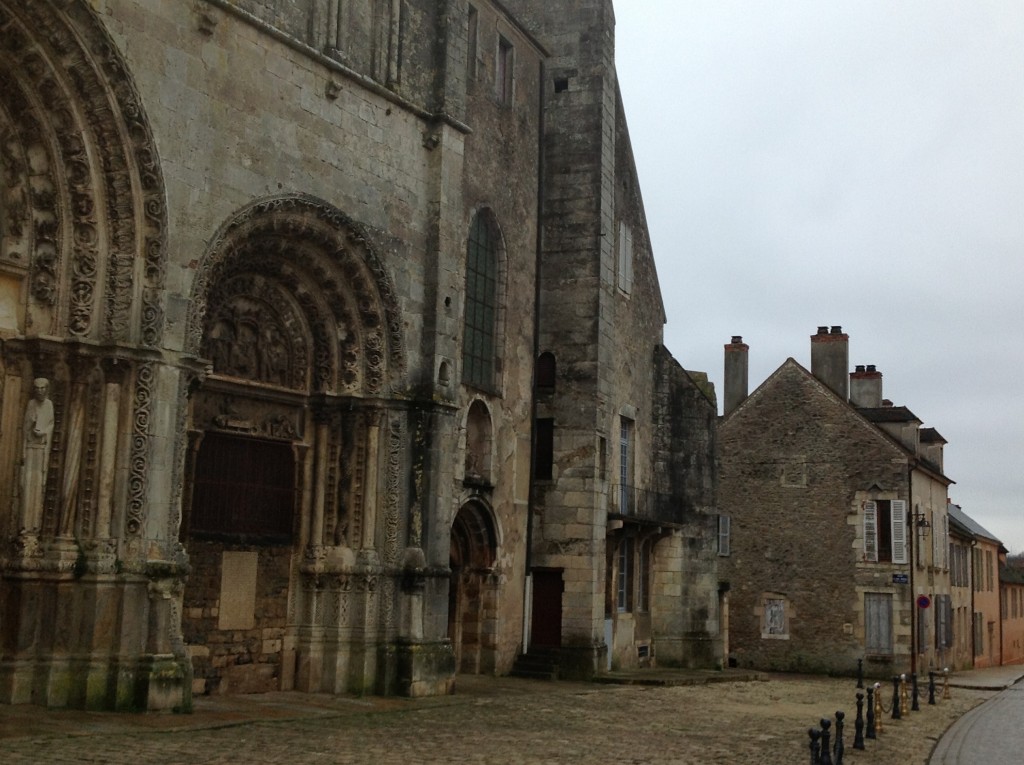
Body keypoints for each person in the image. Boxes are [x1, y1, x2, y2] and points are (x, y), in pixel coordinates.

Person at [21, 377, 54, 535]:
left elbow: (50, 425)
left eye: (43, 388)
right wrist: (31, 424)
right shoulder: (31, 404)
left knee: (39, 482)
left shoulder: (49, 405)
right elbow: (26, 426)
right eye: (37, 388)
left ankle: (35, 525)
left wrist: (44, 432)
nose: (40, 391)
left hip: (42, 449)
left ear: (47, 389)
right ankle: (25, 524)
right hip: (30, 447)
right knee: (27, 482)